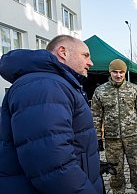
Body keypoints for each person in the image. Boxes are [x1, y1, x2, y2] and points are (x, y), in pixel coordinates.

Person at [0, 35, 103, 193]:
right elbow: (54, 167)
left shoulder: (54, 83)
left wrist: (90, 163)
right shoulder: (45, 85)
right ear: (63, 52)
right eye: (85, 55)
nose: (90, 63)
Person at [91, 59, 137, 194]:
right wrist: (98, 138)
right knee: (115, 171)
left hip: (132, 138)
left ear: (125, 72)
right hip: (112, 140)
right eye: (115, 72)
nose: (118, 75)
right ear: (110, 72)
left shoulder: (134, 89)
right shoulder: (100, 91)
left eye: (121, 72)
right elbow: (95, 116)